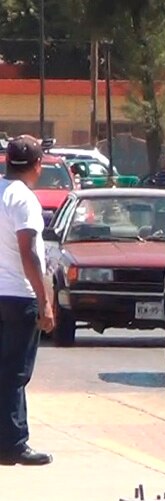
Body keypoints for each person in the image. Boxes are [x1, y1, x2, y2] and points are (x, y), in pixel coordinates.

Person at [0, 136, 55, 466]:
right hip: (18, 296)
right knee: (15, 373)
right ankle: (14, 443)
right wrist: (44, 299)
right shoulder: (24, 200)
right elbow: (29, 253)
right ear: (38, 165)